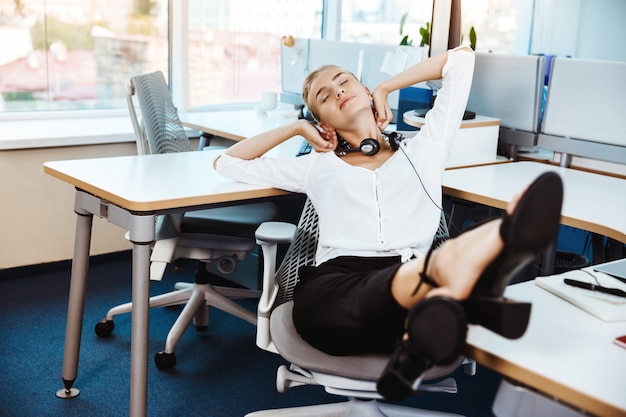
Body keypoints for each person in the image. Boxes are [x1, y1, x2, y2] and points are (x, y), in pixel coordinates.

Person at [213, 46, 563, 400]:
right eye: (325, 96)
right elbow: (227, 163)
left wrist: (386, 87)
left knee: (418, 297)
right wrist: (296, 128)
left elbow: (460, 60)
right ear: (325, 123)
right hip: (335, 286)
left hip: (408, 275)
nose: (338, 92)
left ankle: (443, 301)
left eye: (344, 82)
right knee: (408, 304)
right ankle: (482, 259)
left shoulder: (425, 148)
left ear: (364, 91)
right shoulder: (314, 167)